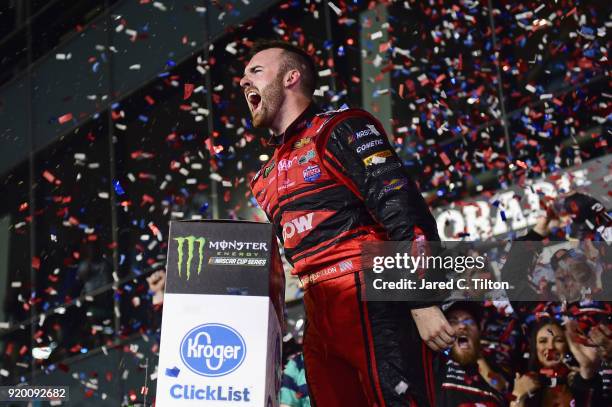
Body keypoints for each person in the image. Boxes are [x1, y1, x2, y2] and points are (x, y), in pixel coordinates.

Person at [241, 39, 455, 406]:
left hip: (373, 293)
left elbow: (403, 209)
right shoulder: (264, 177)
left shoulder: (341, 127)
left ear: (291, 77)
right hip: (316, 311)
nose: (244, 82)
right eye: (244, 76)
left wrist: (422, 299)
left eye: (255, 71)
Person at [511, 318, 603, 406]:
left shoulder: (581, 380)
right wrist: (519, 397)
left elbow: (586, 387)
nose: (551, 347)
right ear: (535, 348)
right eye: (543, 341)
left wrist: (587, 369)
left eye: (558, 340)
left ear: (567, 346)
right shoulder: (524, 382)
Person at [435, 302, 509, 406]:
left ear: (479, 332)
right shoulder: (434, 362)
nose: (462, 326)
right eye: (453, 321)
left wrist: (477, 353)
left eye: (469, 321)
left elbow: (499, 386)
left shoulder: (491, 364)